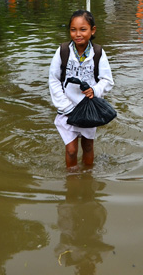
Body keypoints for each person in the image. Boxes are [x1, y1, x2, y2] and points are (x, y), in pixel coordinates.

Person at [49, 10, 114, 168]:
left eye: (83, 29)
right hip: (67, 109)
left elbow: (107, 80)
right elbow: (54, 79)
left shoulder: (98, 53)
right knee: (71, 150)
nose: (78, 34)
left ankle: (87, 177)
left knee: (88, 146)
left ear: (92, 30)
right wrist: (65, 106)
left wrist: (95, 90)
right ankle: (72, 181)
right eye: (73, 30)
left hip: (88, 109)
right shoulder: (63, 51)